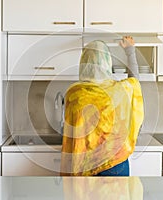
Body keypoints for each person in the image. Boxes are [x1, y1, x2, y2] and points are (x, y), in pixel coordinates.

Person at [60, 36, 144, 176]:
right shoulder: (120, 90)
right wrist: (130, 51)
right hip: (116, 164)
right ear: (107, 63)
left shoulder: (75, 94)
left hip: (84, 165)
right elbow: (135, 82)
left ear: (83, 63)